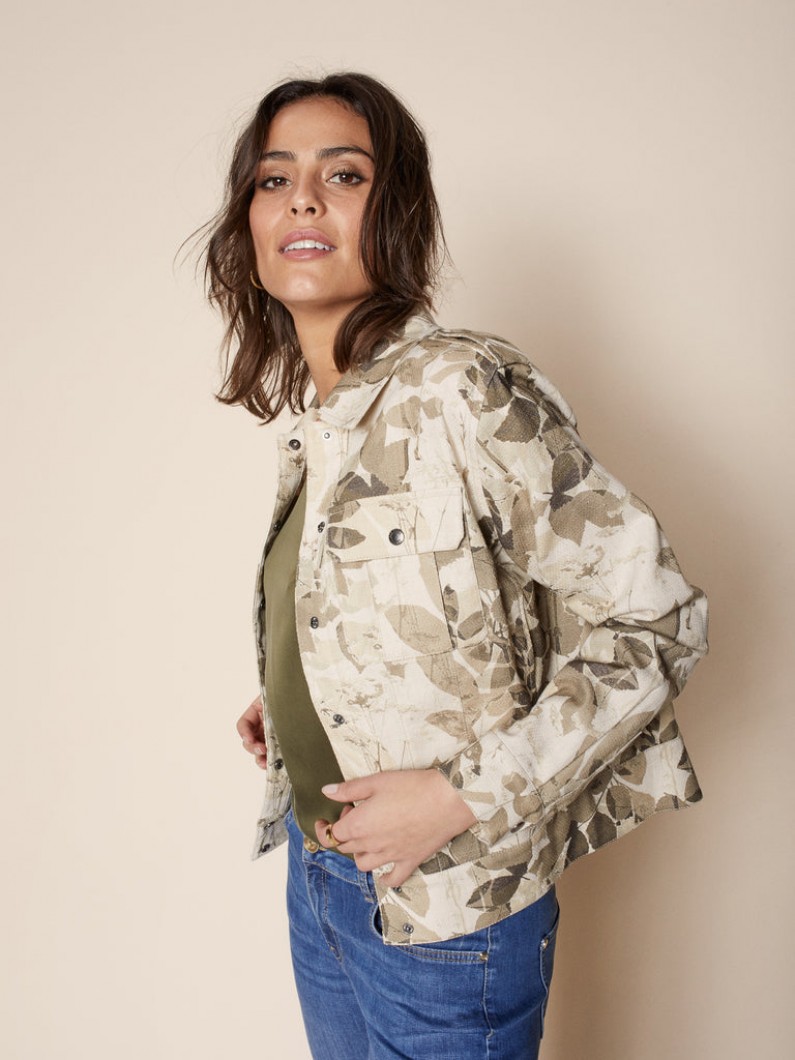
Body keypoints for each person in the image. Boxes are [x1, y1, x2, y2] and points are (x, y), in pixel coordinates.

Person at [200, 72, 708, 1059]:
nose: (302, 200)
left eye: (343, 175)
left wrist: (461, 794)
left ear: (394, 212)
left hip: (444, 909)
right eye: (274, 179)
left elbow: (658, 619)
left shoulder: (459, 386)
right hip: (322, 873)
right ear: (248, 221)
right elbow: (437, 604)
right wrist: (310, 691)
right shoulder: (327, 417)